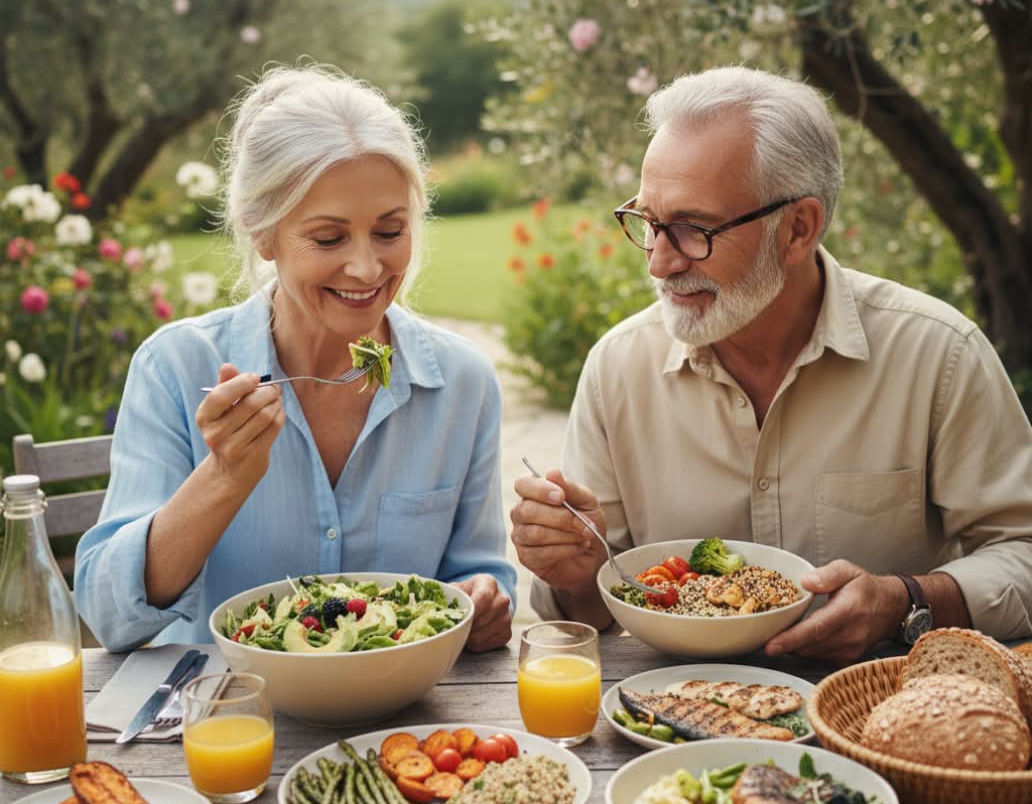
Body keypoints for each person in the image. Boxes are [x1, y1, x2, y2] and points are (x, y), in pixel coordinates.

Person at [511, 66, 1032, 664]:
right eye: (649, 223)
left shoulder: (939, 354)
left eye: (691, 229)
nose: (658, 263)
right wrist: (575, 570)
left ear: (798, 229)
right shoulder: (618, 368)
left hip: (875, 715)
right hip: (670, 727)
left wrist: (907, 598)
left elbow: (1023, 549)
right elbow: (588, 610)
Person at [76, 65, 514, 652]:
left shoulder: (463, 383)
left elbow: (477, 575)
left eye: (390, 232)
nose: (365, 268)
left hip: (401, 725)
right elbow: (109, 615)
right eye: (329, 239)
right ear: (263, 233)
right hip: (231, 719)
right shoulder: (176, 368)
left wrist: (483, 601)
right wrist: (225, 478)